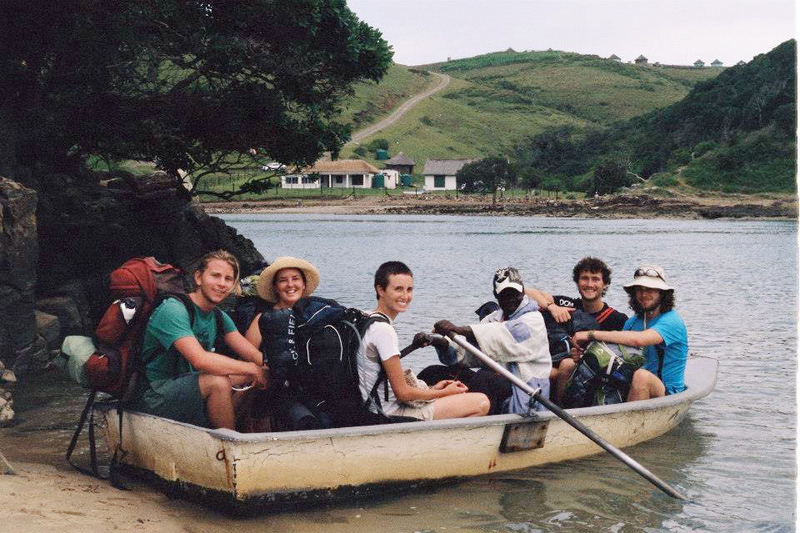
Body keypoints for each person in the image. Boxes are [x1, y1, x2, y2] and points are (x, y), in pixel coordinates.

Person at [129, 250, 269, 430]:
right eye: (215, 276)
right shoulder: (173, 309)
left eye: (228, 279)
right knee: (217, 381)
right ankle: (230, 445)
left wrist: (268, 369)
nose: (221, 284)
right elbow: (200, 360)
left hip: (187, 388)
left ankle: (248, 432)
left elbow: (252, 354)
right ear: (198, 278)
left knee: (257, 376)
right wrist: (252, 368)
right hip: (152, 395)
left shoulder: (218, 316)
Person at [357, 261, 490, 421]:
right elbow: (403, 393)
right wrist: (444, 393)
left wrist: (432, 389)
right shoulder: (384, 330)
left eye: (409, 289)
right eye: (398, 289)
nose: (405, 296)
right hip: (388, 412)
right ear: (380, 290)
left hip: (370, 405)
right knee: (481, 402)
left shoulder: (364, 318)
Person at [430, 267, 552, 414]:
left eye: (514, 293)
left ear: (523, 291)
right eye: (505, 294)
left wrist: (457, 329)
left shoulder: (533, 320)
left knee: (483, 378)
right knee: (434, 372)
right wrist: (438, 342)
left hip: (525, 390)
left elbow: (501, 335)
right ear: (496, 295)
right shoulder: (491, 319)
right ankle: (422, 414)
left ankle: (470, 422)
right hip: (498, 384)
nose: (511, 298)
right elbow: (469, 352)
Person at [572, 265, 688, 401]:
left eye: (650, 289)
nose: (644, 294)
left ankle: (630, 421)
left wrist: (590, 334)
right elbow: (618, 355)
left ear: (662, 293)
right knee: (570, 366)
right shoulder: (632, 322)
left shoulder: (672, 320)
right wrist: (584, 355)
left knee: (641, 376)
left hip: (666, 391)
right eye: (639, 290)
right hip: (631, 384)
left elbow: (640, 340)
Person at [525, 257, 628, 403]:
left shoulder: (617, 319)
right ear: (578, 283)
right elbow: (526, 292)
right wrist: (551, 307)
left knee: (567, 365)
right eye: (584, 279)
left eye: (595, 279)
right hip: (559, 366)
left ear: (604, 285)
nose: (589, 284)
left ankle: (561, 410)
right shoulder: (570, 304)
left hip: (594, 374)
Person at [243, 256, 322, 430]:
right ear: (276, 288)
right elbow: (246, 356)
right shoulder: (262, 318)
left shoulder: (317, 314)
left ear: (303, 284)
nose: (290, 285)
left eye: (295, 279)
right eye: (283, 281)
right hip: (274, 384)